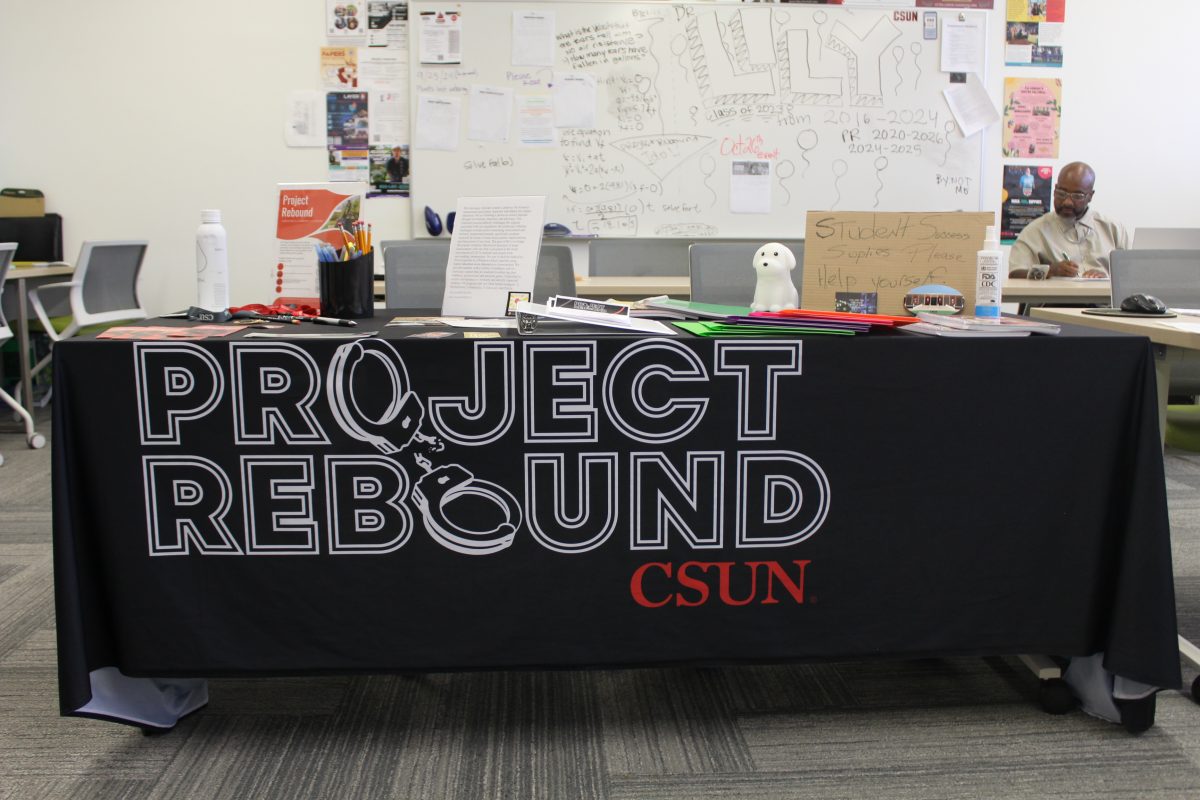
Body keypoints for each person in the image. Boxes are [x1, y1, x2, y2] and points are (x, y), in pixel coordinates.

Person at [1008, 161, 1131, 279]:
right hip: (1054, 300)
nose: (1067, 202)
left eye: (1077, 196)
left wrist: (1106, 279)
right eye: (1061, 193)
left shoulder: (1113, 229)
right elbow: (1015, 274)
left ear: (1090, 196)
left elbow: (1130, 274)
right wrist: (1051, 270)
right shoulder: (1035, 231)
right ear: (1055, 189)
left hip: (1103, 300)